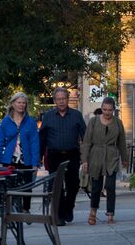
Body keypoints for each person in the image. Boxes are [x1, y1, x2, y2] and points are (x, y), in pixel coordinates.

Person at [39, 86, 86, 226]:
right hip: (54, 156)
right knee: (57, 186)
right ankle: (59, 215)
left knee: (74, 185)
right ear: (54, 100)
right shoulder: (47, 116)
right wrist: (39, 157)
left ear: (67, 99)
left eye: (63, 99)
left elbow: (85, 136)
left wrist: (86, 157)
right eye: (58, 99)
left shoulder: (76, 115)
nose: (61, 102)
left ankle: (68, 208)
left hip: (72, 155)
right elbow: (42, 138)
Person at [81, 97, 127, 225]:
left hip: (111, 155)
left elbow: (122, 142)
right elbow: (86, 142)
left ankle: (110, 213)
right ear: (101, 108)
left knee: (111, 186)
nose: (107, 112)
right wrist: (84, 160)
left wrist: (124, 159)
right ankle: (93, 211)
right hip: (96, 155)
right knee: (96, 187)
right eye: (104, 109)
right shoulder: (93, 122)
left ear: (113, 110)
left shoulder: (118, 123)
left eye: (110, 110)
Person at [0, 92, 39, 193]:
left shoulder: (31, 122)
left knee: (27, 188)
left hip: (26, 161)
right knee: (10, 188)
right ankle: (11, 208)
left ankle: (25, 209)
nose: (21, 105)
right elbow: (0, 143)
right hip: (9, 161)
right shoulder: (6, 121)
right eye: (19, 102)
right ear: (13, 104)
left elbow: (35, 143)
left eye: (24, 103)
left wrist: (35, 163)